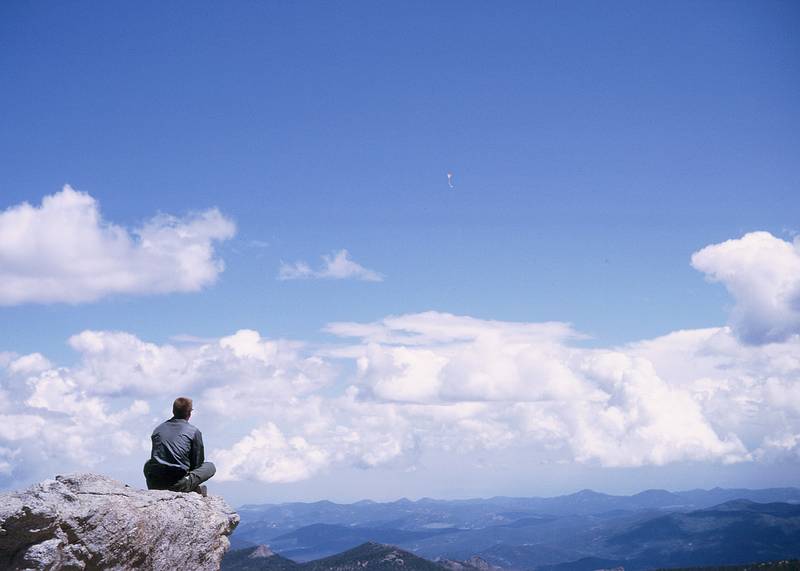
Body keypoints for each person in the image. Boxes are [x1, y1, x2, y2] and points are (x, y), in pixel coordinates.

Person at [143, 397, 216, 496]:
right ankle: (190, 488)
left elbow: (156, 457)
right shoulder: (193, 431)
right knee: (210, 467)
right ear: (189, 413)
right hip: (177, 483)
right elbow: (197, 463)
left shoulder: (158, 430)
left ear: (173, 411)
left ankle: (164, 486)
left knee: (148, 463)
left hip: (155, 482)